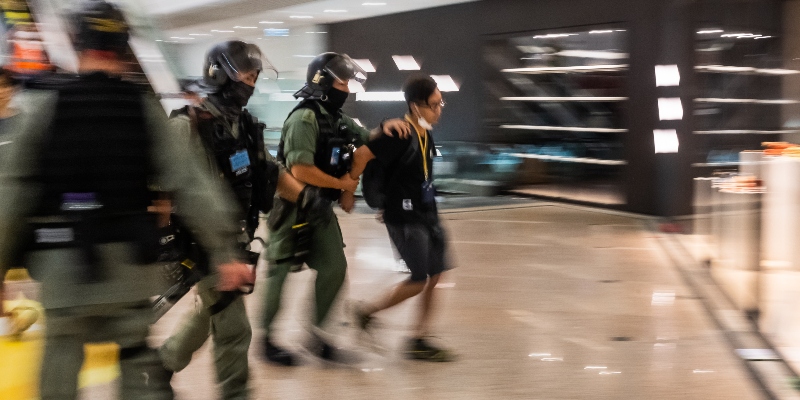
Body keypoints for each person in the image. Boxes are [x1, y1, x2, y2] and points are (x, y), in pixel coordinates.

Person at [0, 1, 253, 399]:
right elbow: (191, 184)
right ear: (123, 47)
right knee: (135, 360)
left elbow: (12, 195)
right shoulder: (144, 109)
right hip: (130, 272)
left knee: (60, 363)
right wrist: (224, 251)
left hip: (65, 274)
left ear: (75, 42)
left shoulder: (43, 106)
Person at [158, 40, 327, 399]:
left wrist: (306, 198)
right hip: (201, 242)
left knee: (212, 312)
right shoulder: (187, 126)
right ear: (219, 75)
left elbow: (270, 170)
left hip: (236, 238)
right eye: (245, 77)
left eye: (254, 78)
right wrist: (164, 242)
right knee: (234, 327)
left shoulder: (246, 126)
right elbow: (162, 187)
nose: (250, 85)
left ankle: (161, 365)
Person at [262, 52, 410, 366]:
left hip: (320, 208)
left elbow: (366, 138)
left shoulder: (336, 119)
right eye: (342, 83)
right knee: (280, 272)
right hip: (291, 207)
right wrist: (343, 185)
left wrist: (387, 126)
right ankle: (266, 340)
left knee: (334, 267)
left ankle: (315, 336)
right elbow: (300, 170)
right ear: (323, 83)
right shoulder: (304, 119)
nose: (346, 88)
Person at [348, 75, 455, 362]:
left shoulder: (425, 132)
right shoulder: (398, 134)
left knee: (436, 274)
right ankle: (365, 312)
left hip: (426, 212)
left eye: (441, 103)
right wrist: (349, 190)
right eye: (433, 105)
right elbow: (361, 156)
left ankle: (419, 339)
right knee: (418, 279)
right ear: (415, 106)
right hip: (405, 218)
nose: (439, 110)